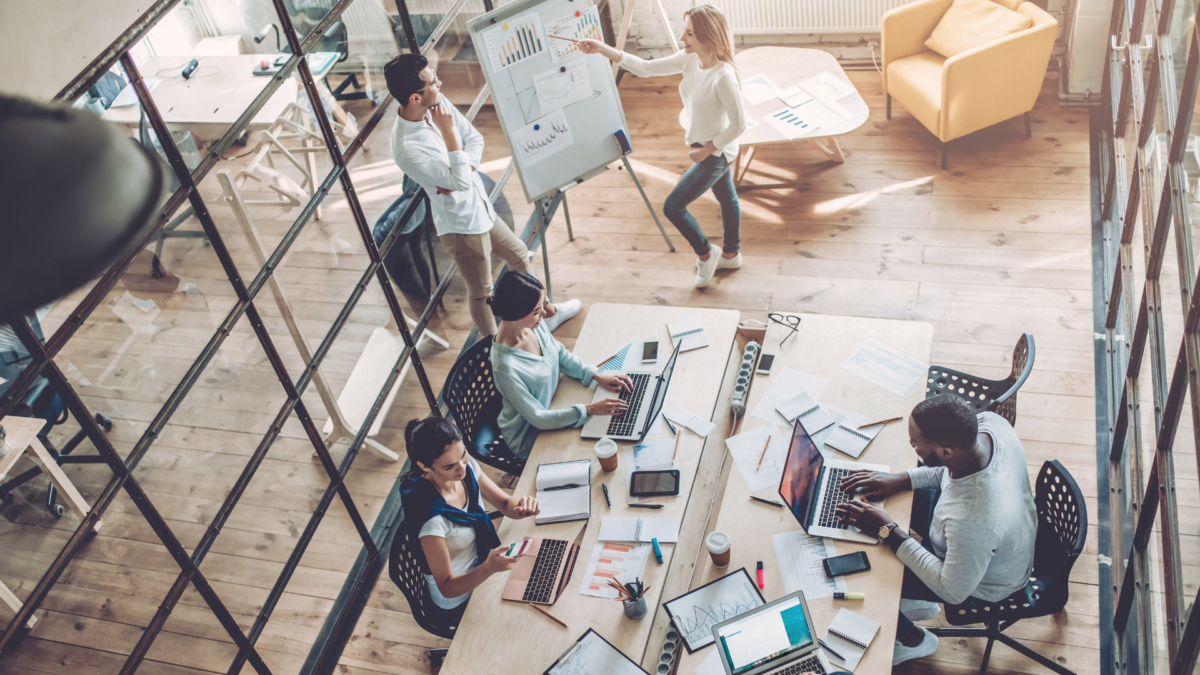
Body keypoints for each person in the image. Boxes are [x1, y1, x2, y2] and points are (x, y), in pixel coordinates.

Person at [383, 54, 580, 336]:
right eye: (433, 81)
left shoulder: (437, 103)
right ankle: (494, 349)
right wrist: (451, 137)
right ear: (415, 97)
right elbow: (461, 179)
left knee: (519, 255)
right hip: (462, 227)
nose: (439, 83)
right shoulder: (407, 148)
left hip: (481, 210)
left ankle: (545, 312)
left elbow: (475, 139)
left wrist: (463, 167)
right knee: (482, 293)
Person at [834, 396, 1037, 666]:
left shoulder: (973, 519)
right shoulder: (990, 425)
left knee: (865, 573)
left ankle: (914, 639)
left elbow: (952, 591)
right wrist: (902, 479)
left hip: (980, 581)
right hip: (976, 540)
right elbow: (949, 474)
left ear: (946, 452)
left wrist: (886, 530)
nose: (911, 444)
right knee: (886, 519)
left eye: (916, 442)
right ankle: (919, 603)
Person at [580, 4, 747, 288]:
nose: (683, 38)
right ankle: (732, 253)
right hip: (710, 147)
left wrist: (705, 150)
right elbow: (644, 68)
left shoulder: (724, 76)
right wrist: (603, 49)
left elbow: (739, 125)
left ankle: (707, 254)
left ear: (707, 36)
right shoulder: (690, 59)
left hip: (714, 153)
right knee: (727, 199)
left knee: (673, 207)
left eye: (690, 33)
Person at [398, 416, 542, 623]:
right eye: (449, 467)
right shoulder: (431, 520)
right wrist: (489, 568)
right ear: (424, 466)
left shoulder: (464, 468)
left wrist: (523, 507)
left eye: (463, 455)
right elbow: (447, 588)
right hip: (460, 598)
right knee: (524, 623)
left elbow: (504, 503)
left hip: (485, 564)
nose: (462, 469)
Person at [489, 272, 632, 458]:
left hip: (557, 402)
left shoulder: (533, 325)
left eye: (542, 306)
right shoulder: (505, 367)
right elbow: (538, 418)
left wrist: (595, 374)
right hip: (531, 435)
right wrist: (589, 409)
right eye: (536, 311)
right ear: (516, 314)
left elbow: (559, 354)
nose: (545, 313)